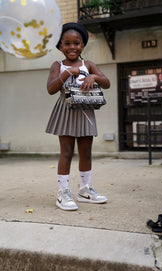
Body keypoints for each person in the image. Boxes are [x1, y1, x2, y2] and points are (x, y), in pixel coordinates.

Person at [46, 22, 110, 211]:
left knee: (86, 152)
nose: (72, 47)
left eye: (76, 43)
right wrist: (66, 75)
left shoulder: (88, 64)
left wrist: (93, 77)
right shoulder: (57, 65)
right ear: (60, 46)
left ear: (82, 45)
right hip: (65, 110)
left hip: (85, 110)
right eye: (67, 43)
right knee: (66, 152)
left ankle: (84, 189)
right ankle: (63, 192)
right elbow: (50, 89)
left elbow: (106, 83)